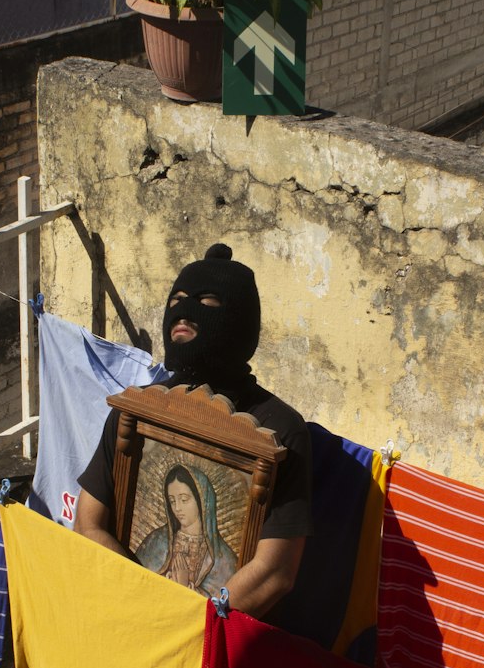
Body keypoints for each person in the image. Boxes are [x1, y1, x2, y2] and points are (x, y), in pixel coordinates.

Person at [74, 243, 312, 621]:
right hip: (129, 620)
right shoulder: (138, 409)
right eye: (177, 301)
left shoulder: (281, 428)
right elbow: (88, 524)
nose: (183, 313)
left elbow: (274, 572)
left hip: (216, 644)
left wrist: (184, 628)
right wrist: (142, 610)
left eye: (207, 302)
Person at [135, 462, 238, 596]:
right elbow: (137, 583)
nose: (177, 508)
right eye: (172, 501)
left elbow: (223, 607)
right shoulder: (156, 541)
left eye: (184, 500)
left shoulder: (224, 559)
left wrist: (186, 588)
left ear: (202, 500)